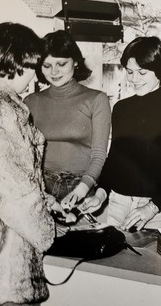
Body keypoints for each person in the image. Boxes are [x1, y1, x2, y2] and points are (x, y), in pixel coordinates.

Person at [0, 22, 58, 306]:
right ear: (16, 65)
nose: (37, 79)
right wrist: (46, 231)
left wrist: (46, 200)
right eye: (34, 68)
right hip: (0, 255)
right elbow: (14, 192)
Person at [80, 36, 161, 231]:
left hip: (159, 209)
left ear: (159, 71)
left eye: (142, 73)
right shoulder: (121, 108)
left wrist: (152, 208)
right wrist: (101, 193)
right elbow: (115, 158)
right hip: (118, 204)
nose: (134, 79)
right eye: (130, 72)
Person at [24, 30, 111, 211]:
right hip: (41, 187)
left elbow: (99, 154)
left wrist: (81, 190)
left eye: (61, 64)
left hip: (82, 184)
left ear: (76, 61)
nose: (54, 72)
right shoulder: (30, 101)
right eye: (46, 66)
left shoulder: (97, 99)